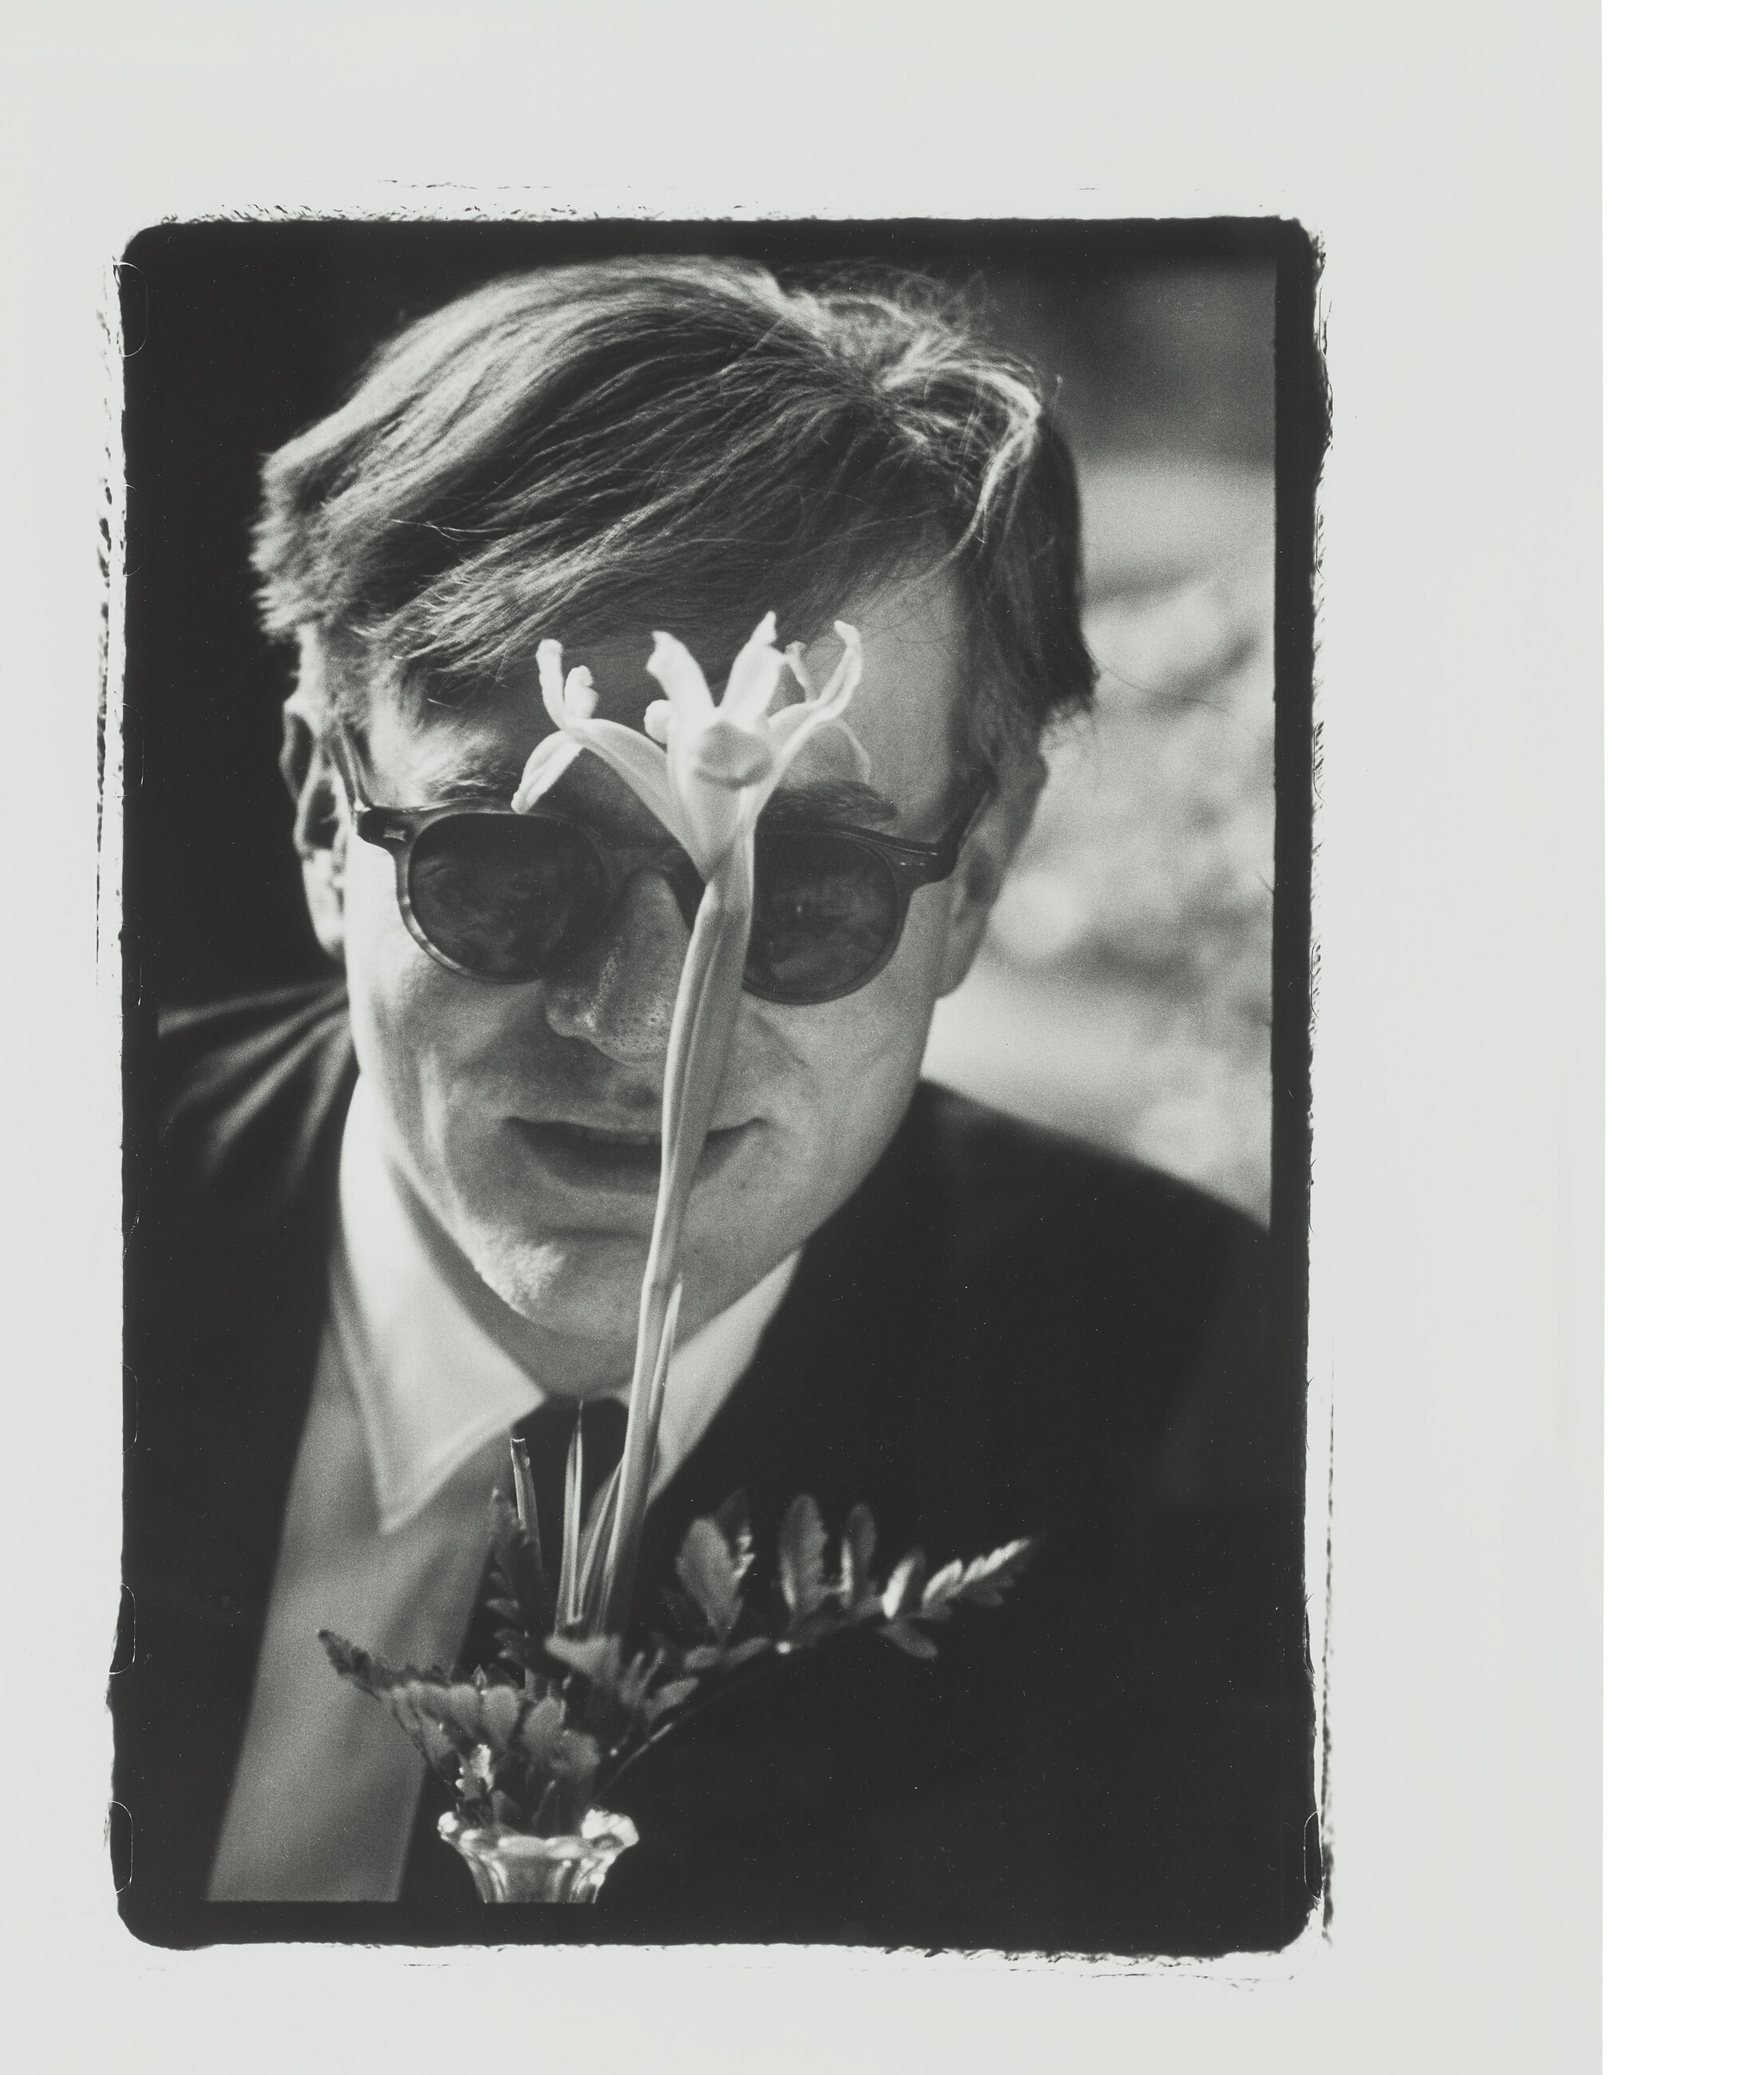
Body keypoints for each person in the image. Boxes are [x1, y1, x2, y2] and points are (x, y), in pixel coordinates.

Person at [113, 255, 1319, 1953]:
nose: (634, 1027)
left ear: (976, 879)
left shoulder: (1215, 1406)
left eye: (802, 890)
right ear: (325, 811)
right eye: (503, 868)